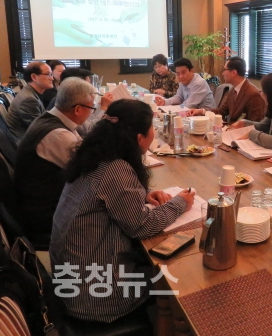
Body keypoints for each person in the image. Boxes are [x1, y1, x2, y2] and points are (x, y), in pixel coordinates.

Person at [50, 99, 195, 323]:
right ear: (139, 138)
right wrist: (180, 203)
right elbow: (142, 226)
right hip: (98, 295)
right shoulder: (115, 169)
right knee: (182, 276)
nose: (153, 133)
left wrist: (143, 195)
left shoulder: (95, 155)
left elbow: (106, 195)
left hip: (73, 282)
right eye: (152, 128)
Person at [13, 77, 96, 241]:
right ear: (78, 109)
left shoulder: (53, 119)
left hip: (44, 202)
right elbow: (92, 172)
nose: (91, 113)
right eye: (92, 108)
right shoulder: (58, 135)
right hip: (45, 214)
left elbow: (84, 149)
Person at [188, 56, 265, 123]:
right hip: (230, 131)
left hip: (240, 133)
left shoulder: (253, 94)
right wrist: (201, 111)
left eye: (224, 70)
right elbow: (221, 111)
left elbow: (255, 124)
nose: (222, 73)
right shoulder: (233, 90)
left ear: (234, 73)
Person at [46, 68, 114, 137]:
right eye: (87, 85)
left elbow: (89, 119)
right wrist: (103, 108)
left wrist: (100, 106)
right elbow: (90, 130)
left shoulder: (66, 97)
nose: (90, 88)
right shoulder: (70, 101)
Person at [7, 61, 54, 140]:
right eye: (48, 74)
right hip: (26, 144)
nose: (52, 78)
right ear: (34, 77)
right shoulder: (28, 100)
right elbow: (40, 131)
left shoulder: (31, 93)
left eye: (52, 74)